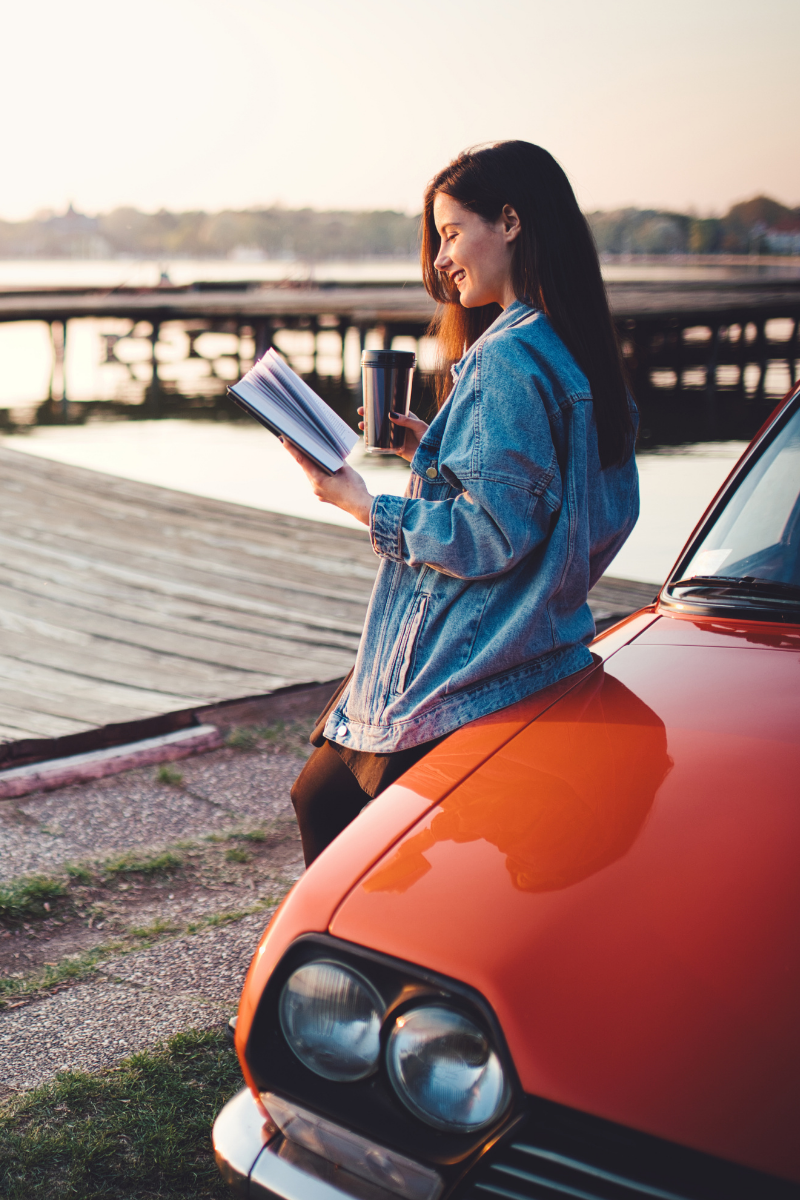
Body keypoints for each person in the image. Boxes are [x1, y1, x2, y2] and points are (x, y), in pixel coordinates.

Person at [281, 140, 639, 867]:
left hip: (461, 664)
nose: (441, 259)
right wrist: (436, 457)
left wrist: (362, 503)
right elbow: (594, 511)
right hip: (540, 646)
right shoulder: (572, 346)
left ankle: (356, 971)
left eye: (451, 233)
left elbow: (489, 534)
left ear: (509, 222)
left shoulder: (505, 357)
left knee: (337, 819)